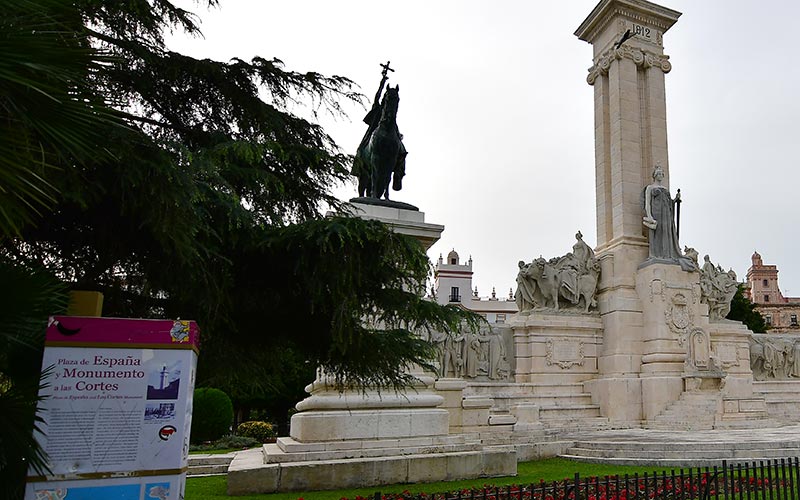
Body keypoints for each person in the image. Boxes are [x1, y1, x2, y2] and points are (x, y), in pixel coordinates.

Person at [642, 165, 695, 271]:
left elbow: (669, 203)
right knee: (657, 234)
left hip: (666, 215)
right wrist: (649, 216)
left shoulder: (665, 188)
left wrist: (675, 200)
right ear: (654, 175)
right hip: (656, 214)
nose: (660, 175)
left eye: (662, 173)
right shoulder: (650, 188)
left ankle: (667, 254)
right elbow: (647, 204)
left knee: (667, 233)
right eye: (659, 173)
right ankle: (657, 254)